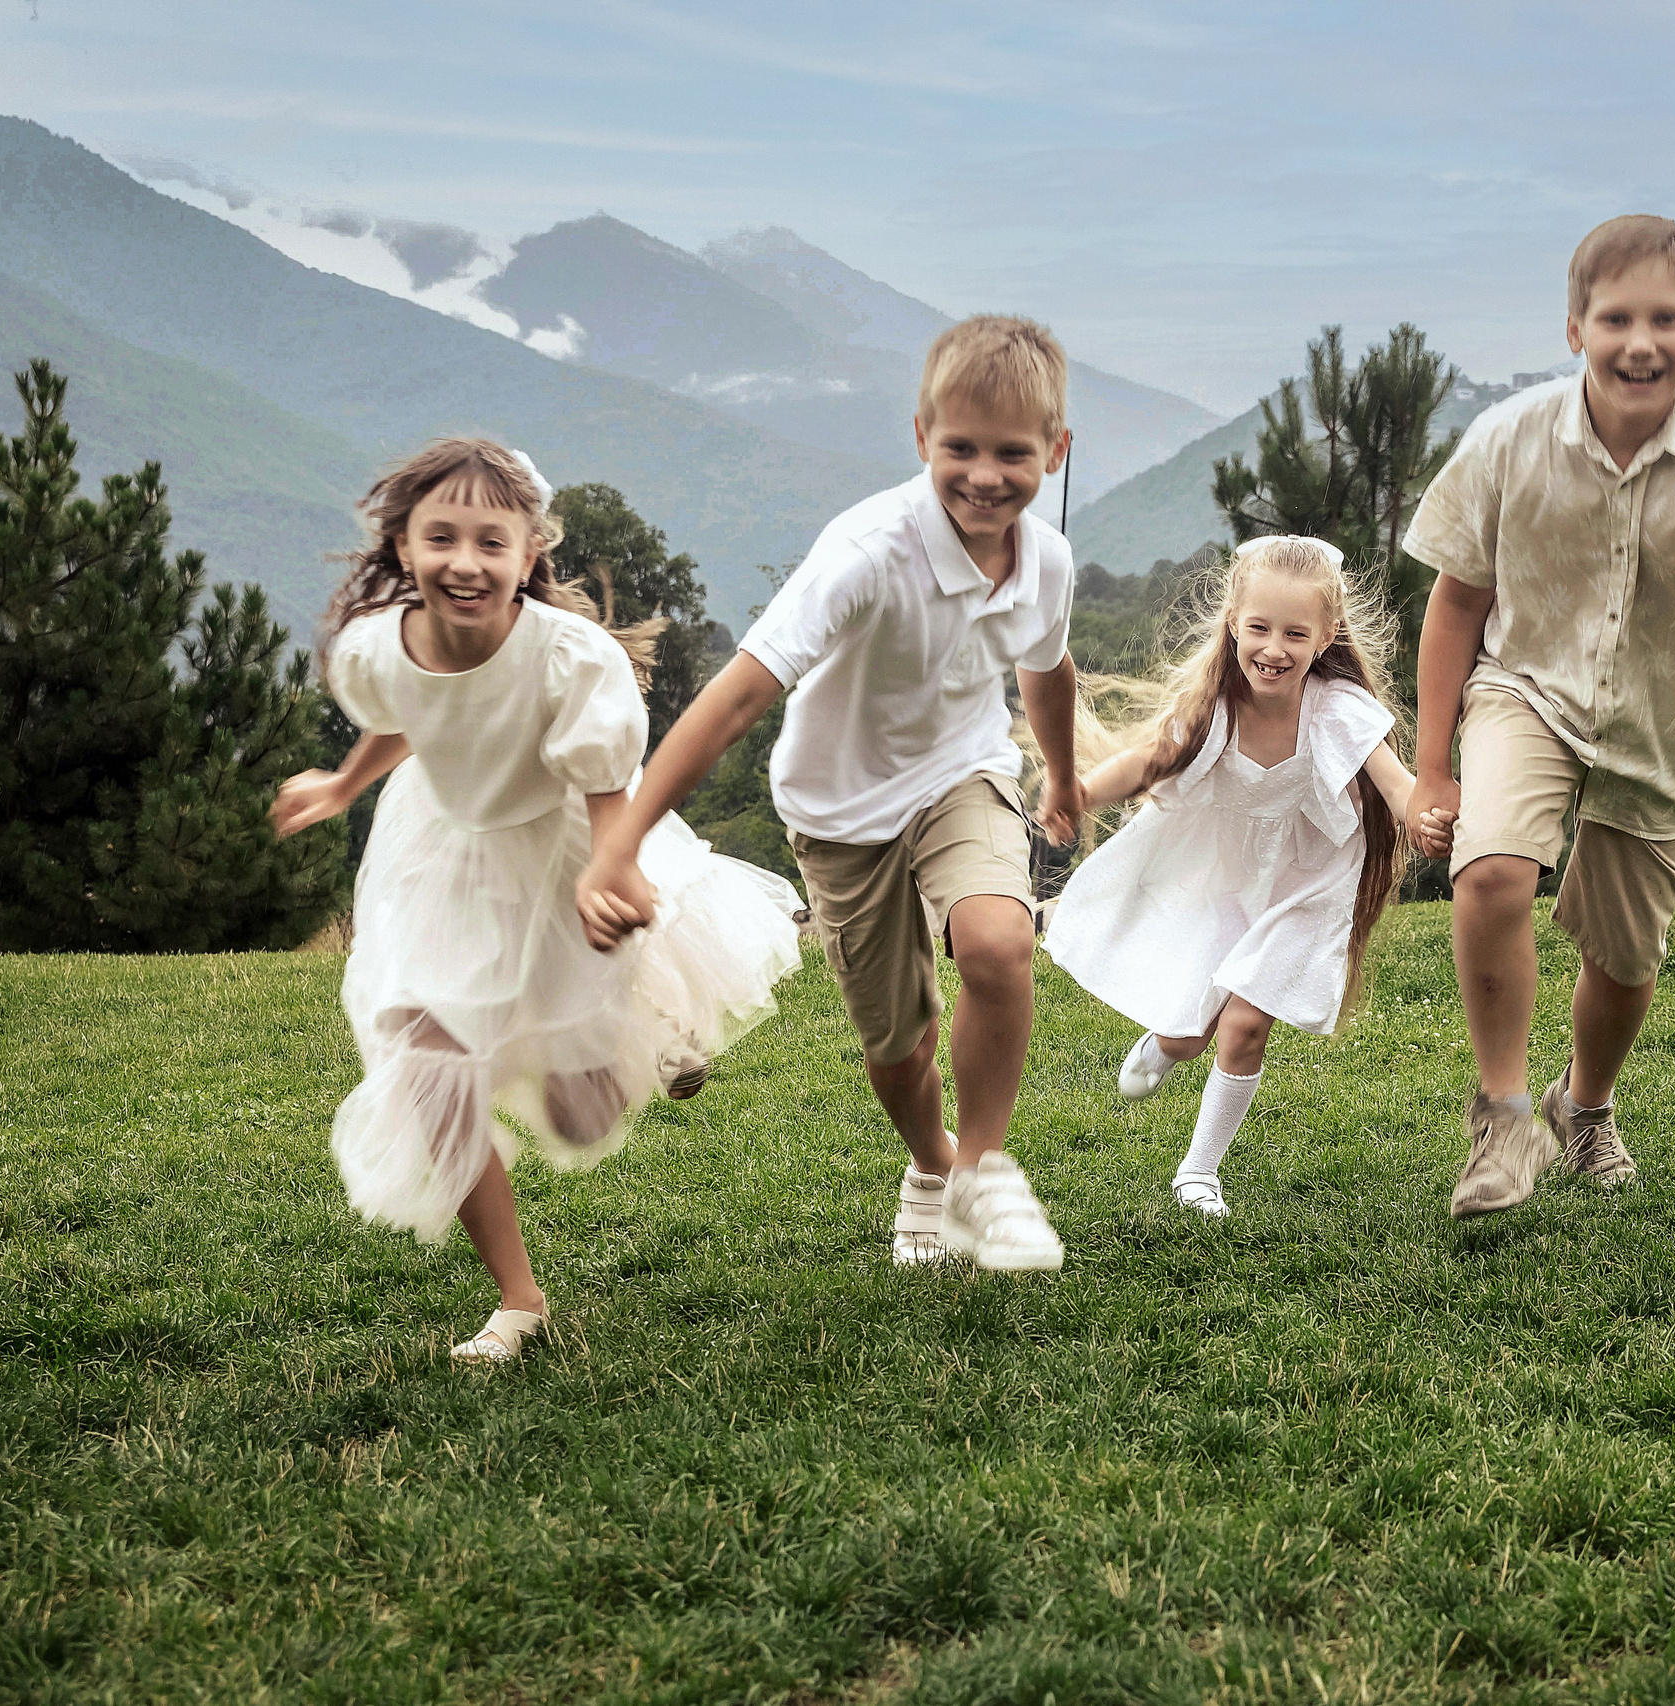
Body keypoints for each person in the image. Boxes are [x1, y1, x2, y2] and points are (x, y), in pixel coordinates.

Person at [272, 438, 802, 1362]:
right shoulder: (374, 649)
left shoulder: (569, 660)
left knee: (580, 1118)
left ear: (528, 554)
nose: (465, 562)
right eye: (441, 538)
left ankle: (649, 1023)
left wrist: (612, 870)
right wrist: (342, 785)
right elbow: (406, 710)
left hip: (558, 850)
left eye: (491, 541)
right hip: (437, 856)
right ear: (403, 548)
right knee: (424, 1059)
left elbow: (606, 788)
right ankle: (519, 1301)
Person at [576, 316, 1083, 1272]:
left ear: (1056, 451)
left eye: (1013, 453)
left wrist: (1056, 771)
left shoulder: (1044, 561)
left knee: (997, 938)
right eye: (959, 447)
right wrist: (622, 843)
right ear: (920, 435)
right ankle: (931, 1165)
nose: (984, 475)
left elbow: (1046, 669)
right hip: (838, 811)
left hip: (960, 774)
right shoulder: (865, 551)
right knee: (899, 1045)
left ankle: (981, 1171)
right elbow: (735, 700)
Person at [1405, 214, 1675, 1218]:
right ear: (1574, 327)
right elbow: (1455, 603)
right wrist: (1432, 767)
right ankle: (1504, 1115)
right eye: (1616, 316)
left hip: (1658, 725)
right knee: (1492, 869)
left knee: (1624, 961)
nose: (1641, 340)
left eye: (1665, 318)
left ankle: (1582, 1107)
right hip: (1525, 689)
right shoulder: (1507, 440)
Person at [1045, 536, 1436, 1218]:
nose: (1273, 648)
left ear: (1328, 635)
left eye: (1294, 633)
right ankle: (1169, 1044)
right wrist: (1078, 793)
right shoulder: (1216, 708)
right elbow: (1146, 762)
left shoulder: (1339, 711)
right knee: (1192, 1033)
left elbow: (1398, 787)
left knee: (1246, 1023)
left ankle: (1198, 1174)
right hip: (1227, 878)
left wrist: (1422, 816)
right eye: (1259, 627)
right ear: (1233, 623)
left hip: (1305, 888)